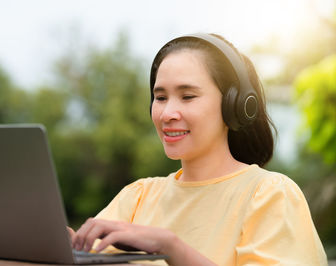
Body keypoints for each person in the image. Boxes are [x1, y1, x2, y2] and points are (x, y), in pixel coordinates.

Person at [69, 33, 328, 265]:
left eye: (188, 96)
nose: (167, 113)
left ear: (234, 105)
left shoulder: (270, 195)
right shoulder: (137, 197)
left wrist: (171, 247)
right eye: (160, 98)